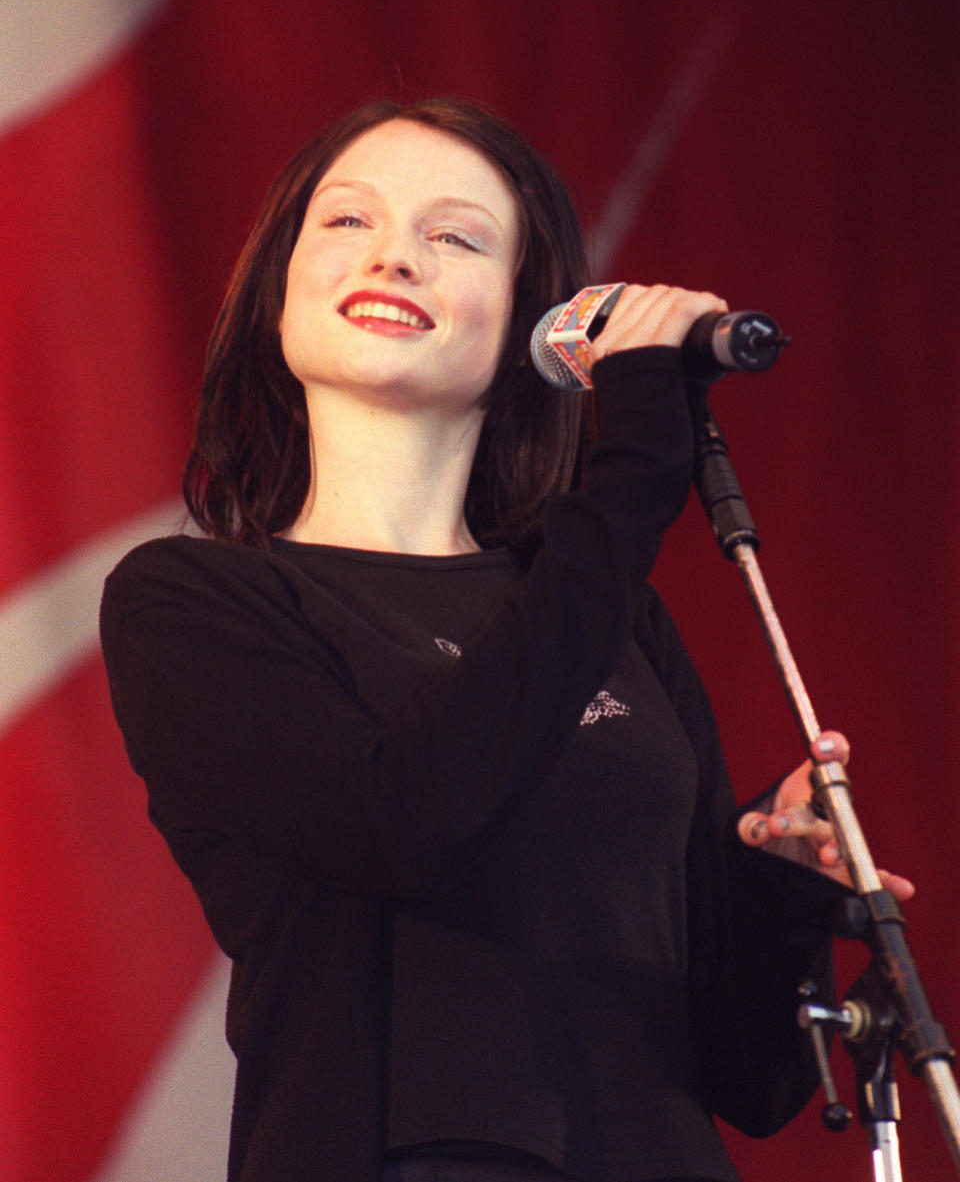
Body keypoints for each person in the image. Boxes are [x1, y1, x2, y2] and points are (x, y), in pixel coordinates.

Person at [99, 97, 912, 1182]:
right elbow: (399, 820)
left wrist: (776, 887)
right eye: (348, 222)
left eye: (455, 237)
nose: (396, 256)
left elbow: (750, 1080)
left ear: (533, 325)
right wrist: (626, 480)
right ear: (276, 295)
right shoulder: (192, 601)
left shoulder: (606, 611)